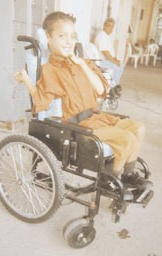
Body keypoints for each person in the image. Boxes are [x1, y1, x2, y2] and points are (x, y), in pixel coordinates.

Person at [15, 11, 152, 189]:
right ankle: (110, 180)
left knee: (139, 129)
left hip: (96, 118)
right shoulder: (50, 70)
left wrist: (81, 64)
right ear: (49, 37)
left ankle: (126, 175)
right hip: (78, 128)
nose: (69, 41)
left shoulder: (83, 63)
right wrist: (26, 80)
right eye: (62, 36)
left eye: (72, 36)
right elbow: (41, 101)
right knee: (127, 140)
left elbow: (101, 89)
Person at [94, 17, 124, 86]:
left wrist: (115, 59)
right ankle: (113, 87)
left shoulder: (106, 36)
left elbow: (109, 52)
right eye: (109, 26)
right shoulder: (102, 36)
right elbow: (106, 53)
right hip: (100, 62)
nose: (111, 29)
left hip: (105, 61)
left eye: (112, 27)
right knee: (118, 67)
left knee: (119, 65)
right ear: (104, 26)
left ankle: (113, 85)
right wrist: (115, 62)